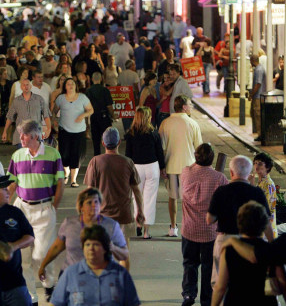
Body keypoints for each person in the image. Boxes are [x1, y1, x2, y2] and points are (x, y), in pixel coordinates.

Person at [7, 120, 65, 304]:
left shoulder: (53, 154)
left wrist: (52, 207)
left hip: (44, 209)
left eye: (23, 135)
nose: (20, 138)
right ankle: (31, 296)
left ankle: (48, 283)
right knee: (23, 257)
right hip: (21, 208)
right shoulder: (17, 156)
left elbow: (60, 184)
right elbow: (12, 183)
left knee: (40, 254)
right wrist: (4, 206)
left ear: (33, 136)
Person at [84, 126, 144, 270]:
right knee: (123, 254)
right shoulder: (128, 162)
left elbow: (89, 191)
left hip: (101, 216)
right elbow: (136, 191)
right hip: (124, 215)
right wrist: (140, 212)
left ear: (103, 143)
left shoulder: (95, 162)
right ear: (119, 143)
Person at [207, 155, 273, 286]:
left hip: (226, 240)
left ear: (231, 172)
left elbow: (210, 219)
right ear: (249, 173)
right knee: (248, 282)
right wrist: (272, 244)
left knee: (221, 283)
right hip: (251, 242)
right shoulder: (257, 192)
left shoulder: (221, 191)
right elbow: (266, 222)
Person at [39, 188, 128, 279]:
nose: (94, 205)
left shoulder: (111, 226)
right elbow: (56, 247)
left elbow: (124, 254)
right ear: (81, 207)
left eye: (96, 202)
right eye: (89, 203)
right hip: (72, 275)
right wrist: (43, 265)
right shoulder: (69, 224)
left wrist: (113, 248)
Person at [180, 143, 228, 306]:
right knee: (208, 267)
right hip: (210, 232)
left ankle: (188, 294)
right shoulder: (219, 178)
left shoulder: (186, 172)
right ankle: (206, 300)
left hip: (189, 229)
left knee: (189, 263)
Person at [49, 225, 141, 306]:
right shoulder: (70, 274)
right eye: (87, 245)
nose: (91, 249)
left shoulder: (120, 274)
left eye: (96, 245)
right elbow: (55, 303)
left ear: (105, 248)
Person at [0, 171, 35, 306]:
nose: (8, 191)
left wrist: (14, 246)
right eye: (4, 189)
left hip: (15, 283)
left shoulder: (14, 212)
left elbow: (30, 236)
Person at [211, 201, 278, 306]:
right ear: (263, 224)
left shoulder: (230, 250)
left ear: (240, 222)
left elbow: (221, 287)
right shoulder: (268, 249)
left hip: (236, 300)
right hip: (264, 301)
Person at [159, 95, 202, 237]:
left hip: (171, 165)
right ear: (184, 107)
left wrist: (162, 166)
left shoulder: (165, 123)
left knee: (172, 198)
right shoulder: (193, 124)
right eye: (190, 104)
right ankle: (189, 226)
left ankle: (173, 227)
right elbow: (199, 148)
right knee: (189, 200)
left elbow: (161, 147)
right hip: (189, 167)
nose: (191, 107)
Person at [125, 107, 165, 239]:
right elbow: (160, 152)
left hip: (136, 168)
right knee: (150, 199)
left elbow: (128, 155)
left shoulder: (130, 134)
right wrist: (163, 168)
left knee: (136, 197)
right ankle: (147, 231)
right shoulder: (153, 133)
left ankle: (138, 224)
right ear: (148, 118)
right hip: (152, 167)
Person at [52, 78, 94, 187]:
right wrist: (54, 121)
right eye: (68, 84)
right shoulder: (61, 98)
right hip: (64, 130)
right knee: (64, 155)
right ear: (65, 87)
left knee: (77, 154)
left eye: (72, 84)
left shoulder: (82, 98)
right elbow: (54, 111)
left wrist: (83, 115)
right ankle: (66, 173)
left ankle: (73, 180)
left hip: (79, 131)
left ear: (76, 86)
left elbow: (91, 110)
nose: (70, 86)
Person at [3, 79, 51, 146]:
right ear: (21, 87)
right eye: (24, 85)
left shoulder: (39, 99)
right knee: (22, 156)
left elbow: (46, 115)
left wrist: (49, 129)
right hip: (21, 137)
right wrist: (5, 131)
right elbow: (10, 117)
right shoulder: (16, 101)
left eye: (27, 85)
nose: (26, 87)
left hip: (36, 135)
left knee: (36, 156)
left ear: (31, 86)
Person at [85, 72, 115, 156]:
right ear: (101, 79)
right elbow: (109, 106)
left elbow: (86, 107)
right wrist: (113, 115)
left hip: (94, 116)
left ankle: (97, 158)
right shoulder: (105, 90)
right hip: (104, 116)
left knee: (96, 140)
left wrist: (86, 121)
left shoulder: (88, 91)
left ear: (92, 79)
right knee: (108, 138)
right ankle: (109, 155)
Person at [251, 153, 278, 238]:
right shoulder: (261, 182)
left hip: (266, 229)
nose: (256, 166)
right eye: (255, 163)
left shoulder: (268, 184)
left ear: (267, 167)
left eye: (260, 164)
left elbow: (263, 206)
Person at [249, 54, 266, 142]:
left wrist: (251, 94)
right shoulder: (259, 68)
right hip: (258, 96)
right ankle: (259, 133)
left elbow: (258, 84)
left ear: (252, 60)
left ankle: (260, 134)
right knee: (254, 113)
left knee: (258, 115)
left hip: (258, 96)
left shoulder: (258, 69)